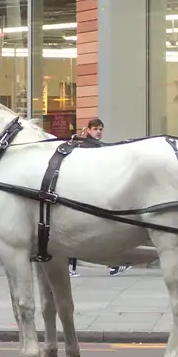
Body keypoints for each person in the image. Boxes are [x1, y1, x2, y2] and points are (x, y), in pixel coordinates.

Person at [68, 119, 111, 277]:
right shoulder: (86, 145)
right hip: (86, 192)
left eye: (100, 129)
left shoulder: (94, 145)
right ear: (89, 130)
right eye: (95, 129)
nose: (98, 132)